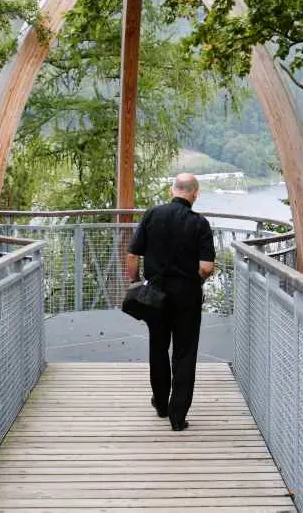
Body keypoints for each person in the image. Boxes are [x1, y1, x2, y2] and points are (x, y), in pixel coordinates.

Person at [126, 173, 215, 431]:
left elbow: (133, 254)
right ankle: (178, 417)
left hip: (156, 294)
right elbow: (207, 267)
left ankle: (161, 405)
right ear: (195, 194)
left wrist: (135, 281)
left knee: (158, 347)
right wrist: (195, 279)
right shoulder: (200, 223)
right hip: (187, 295)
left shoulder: (153, 214)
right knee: (185, 353)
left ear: (171, 190)